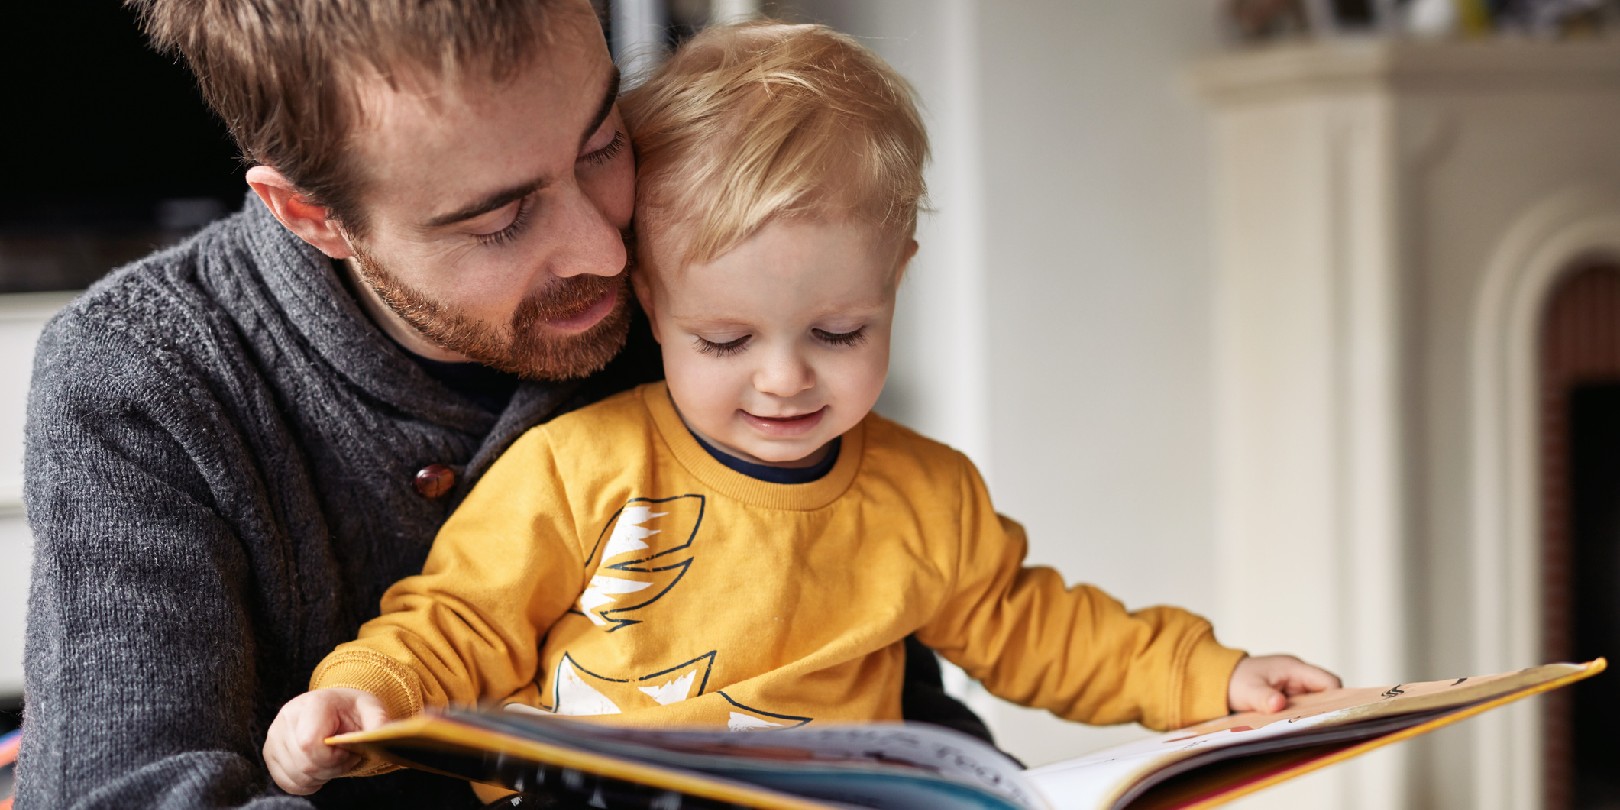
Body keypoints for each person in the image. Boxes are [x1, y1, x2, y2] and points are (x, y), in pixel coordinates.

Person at [261, 20, 1342, 803]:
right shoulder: (581, 465)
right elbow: (461, 621)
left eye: (840, 334)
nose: (786, 381)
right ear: (650, 301)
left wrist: (1220, 679)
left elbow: (1041, 629)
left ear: (897, 282)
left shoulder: (927, 496)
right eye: (723, 342)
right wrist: (368, 696)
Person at [16, 2, 990, 807]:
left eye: (603, 140)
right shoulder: (144, 377)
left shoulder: (707, 292)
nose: (609, 252)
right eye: (501, 219)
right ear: (313, 217)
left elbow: (895, 698)